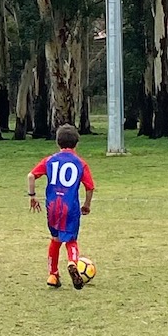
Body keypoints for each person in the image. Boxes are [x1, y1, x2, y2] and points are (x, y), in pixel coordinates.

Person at [27, 123, 95, 290]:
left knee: (55, 239)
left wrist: (32, 196)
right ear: (76, 143)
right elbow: (90, 187)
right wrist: (86, 204)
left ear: (57, 143)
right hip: (70, 207)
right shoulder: (80, 163)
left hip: (53, 207)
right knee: (71, 239)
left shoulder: (50, 160)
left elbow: (30, 176)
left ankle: (53, 275)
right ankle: (73, 262)